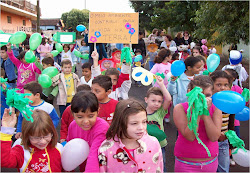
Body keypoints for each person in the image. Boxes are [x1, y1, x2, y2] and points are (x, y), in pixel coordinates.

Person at [98, 98, 163, 172]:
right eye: (134, 123)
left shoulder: (153, 143)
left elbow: (159, 168)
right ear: (120, 123)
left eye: (144, 122)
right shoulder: (106, 149)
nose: (141, 128)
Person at [173, 75, 222, 172]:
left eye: (207, 95)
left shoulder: (216, 108)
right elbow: (190, 136)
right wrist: (197, 113)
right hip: (185, 163)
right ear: (189, 92)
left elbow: (214, 137)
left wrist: (205, 114)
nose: (203, 99)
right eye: (199, 95)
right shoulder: (180, 108)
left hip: (209, 163)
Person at [67, 91, 109, 172]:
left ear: (98, 111)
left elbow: (94, 154)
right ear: (72, 114)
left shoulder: (102, 128)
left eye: (90, 116)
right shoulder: (73, 126)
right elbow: (70, 150)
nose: (86, 121)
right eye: (80, 117)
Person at [210, 70, 236, 172]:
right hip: (209, 141)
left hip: (223, 141)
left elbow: (231, 124)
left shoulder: (230, 103)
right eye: (218, 84)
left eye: (226, 85)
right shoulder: (208, 102)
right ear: (211, 86)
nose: (223, 88)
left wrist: (230, 140)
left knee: (223, 169)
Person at [145, 76, 172, 172]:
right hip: (145, 145)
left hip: (160, 145)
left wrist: (161, 85)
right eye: (153, 100)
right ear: (146, 100)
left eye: (159, 101)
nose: (156, 104)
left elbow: (168, 99)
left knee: (161, 164)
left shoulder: (160, 112)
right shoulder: (141, 113)